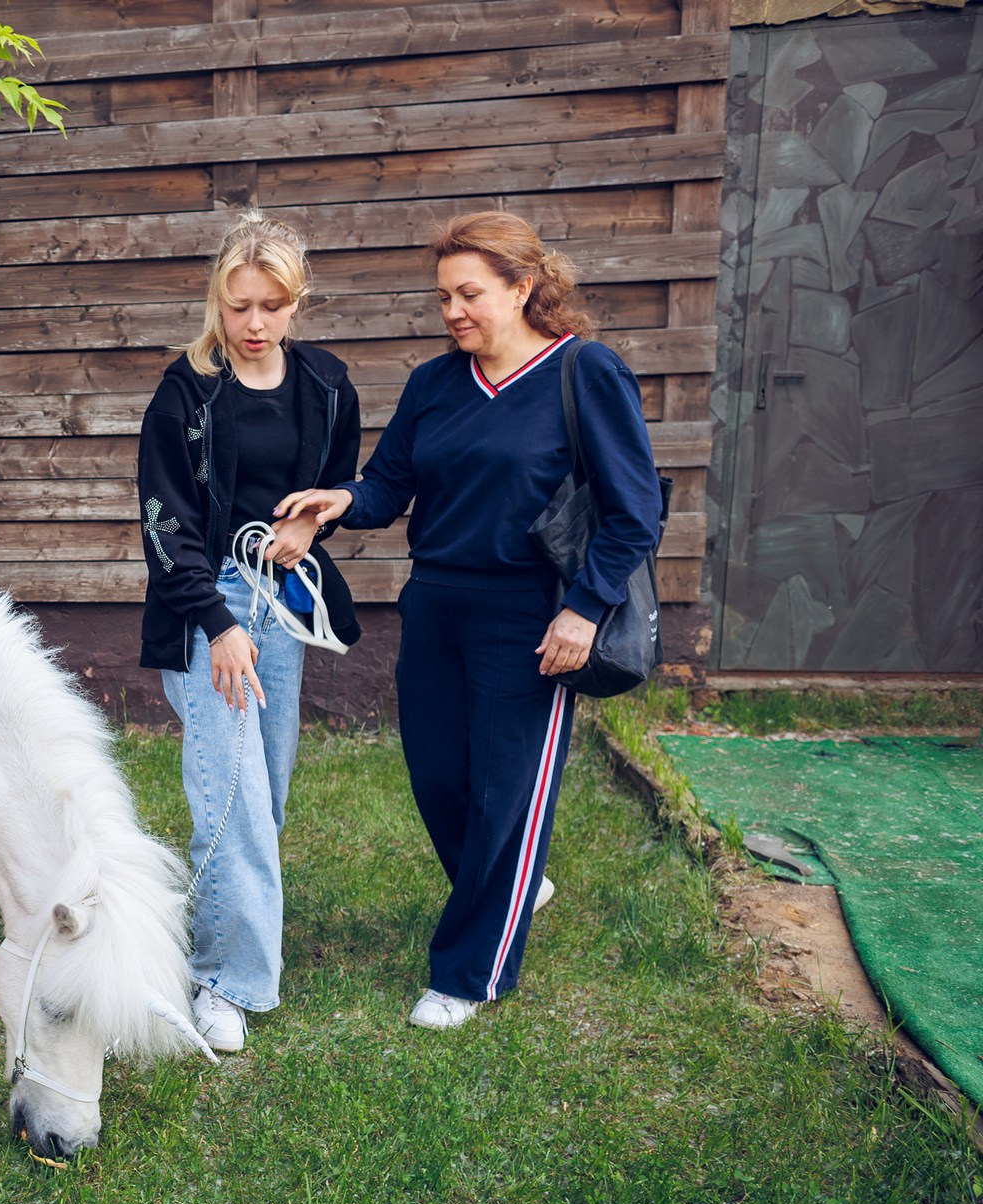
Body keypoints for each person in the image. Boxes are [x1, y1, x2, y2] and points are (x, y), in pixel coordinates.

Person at [279, 211, 663, 1030]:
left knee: (504, 793)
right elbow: (388, 485)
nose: (453, 311)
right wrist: (339, 500)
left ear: (524, 288)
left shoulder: (584, 372)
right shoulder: (435, 383)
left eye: (470, 293)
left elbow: (636, 511)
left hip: (533, 613)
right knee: (438, 776)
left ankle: (467, 973)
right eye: (444, 295)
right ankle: (516, 882)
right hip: (437, 601)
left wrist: (584, 608)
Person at [136, 211, 362, 1053]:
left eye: (272, 304)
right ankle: (226, 982)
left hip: (283, 599)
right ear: (217, 303)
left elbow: (331, 488)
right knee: (229, 797)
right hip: (207, 602)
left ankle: (210, 941)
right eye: (239, 306)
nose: (255, 323)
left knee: (264, 787)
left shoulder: (328, 386)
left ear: (296, 302)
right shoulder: (186, 392)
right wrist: (215, 622)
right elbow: (164, 524)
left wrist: (308, 530)